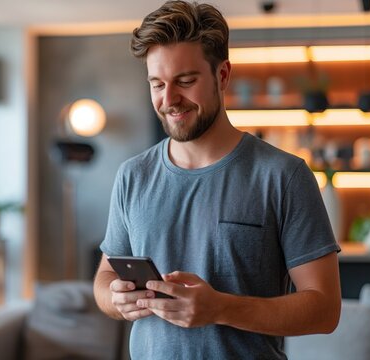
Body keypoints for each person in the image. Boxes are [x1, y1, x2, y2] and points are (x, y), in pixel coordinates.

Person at [93, 1, 341, 359]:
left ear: (222, 75)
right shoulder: (134, 176)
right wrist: (116, 299)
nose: (169, 100)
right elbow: (104, 279)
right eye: (157, 84)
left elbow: (325, 309)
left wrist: (222, 308)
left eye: (186, 81)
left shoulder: (283, 176)